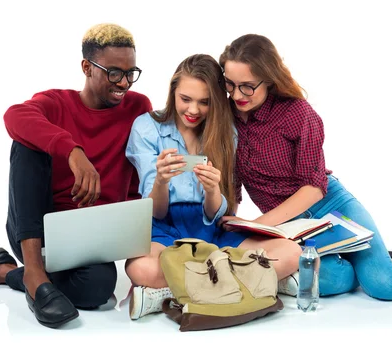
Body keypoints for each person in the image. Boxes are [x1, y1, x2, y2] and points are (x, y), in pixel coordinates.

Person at [218, 34, 392, 301]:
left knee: (385, 285)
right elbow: (232, 181)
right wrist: (233, 220)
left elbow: (314, 189)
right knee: (326, 280)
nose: (238, 94)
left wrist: (258, 223)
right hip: (288, 224)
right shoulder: (227, 117)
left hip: (329, 205)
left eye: (248, 85)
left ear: (269, 79)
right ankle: (376, 259)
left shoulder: (297, 114)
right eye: (230, 84)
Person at [0, 23, 152, 328]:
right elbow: (14, 115)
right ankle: (35, 274)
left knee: (99, 288)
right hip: (36, 233)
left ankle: (3, 272)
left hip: (90, 237)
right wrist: (72, 150)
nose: (124, 82)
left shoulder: (137, 106)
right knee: (27, 142)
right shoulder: (57, 103)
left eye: (131, 72)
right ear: (86, 68)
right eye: (114, 72)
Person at [124, 54, 302, 320]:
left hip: (212, 228)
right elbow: (157, 213)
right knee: (140, 268)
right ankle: (252, 282)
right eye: (186, 99)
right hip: (164, 226)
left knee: (292, 252)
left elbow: (220, 211)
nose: (193, 110)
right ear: (173, 91)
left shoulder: (225, 130)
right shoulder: (147, 127)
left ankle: (166, 294)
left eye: (204, 102)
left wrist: (212, 191)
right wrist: (161, 181)